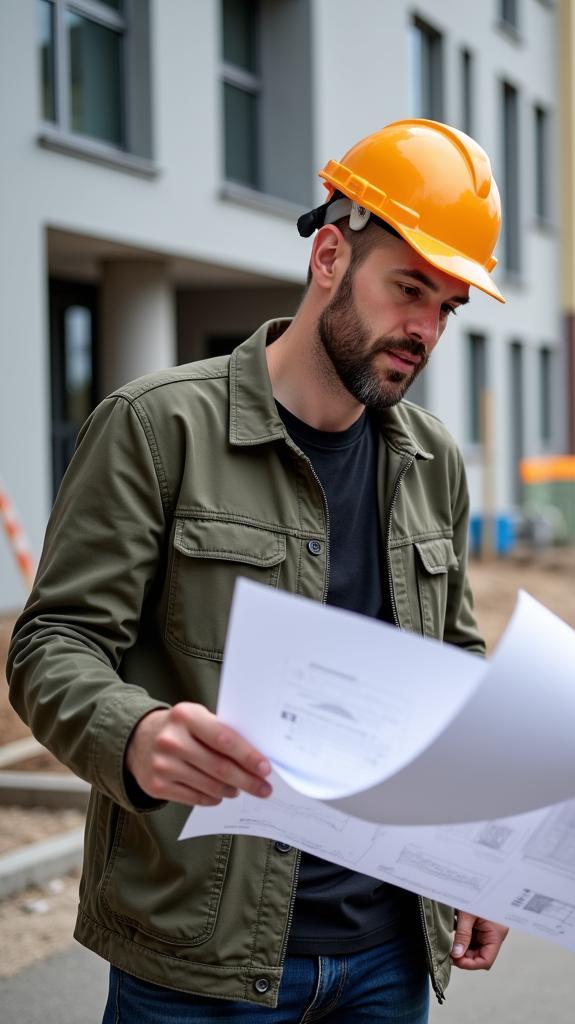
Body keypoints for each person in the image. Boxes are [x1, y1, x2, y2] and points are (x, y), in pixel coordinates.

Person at [7, 119, 509, 1022]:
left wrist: (475, 860)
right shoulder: (158, 428)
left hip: (388, 957)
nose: (426, 329)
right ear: (328, 257)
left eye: (448, 307)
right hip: (198, 965)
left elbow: (452, 669)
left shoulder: (433, 460)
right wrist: (135, 732)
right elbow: (52, 644)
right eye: (409, 290)